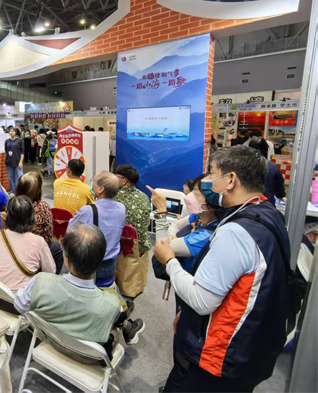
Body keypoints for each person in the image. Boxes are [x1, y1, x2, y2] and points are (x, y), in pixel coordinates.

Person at [154, 146, 293, 392]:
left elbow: (201, 300)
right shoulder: (265, 212)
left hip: (216, 358)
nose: (207, 180)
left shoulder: (236, 232)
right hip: (248, 349)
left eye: (211, 173)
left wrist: (170, 262)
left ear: (230, 180)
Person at [14, 222, 145, 351]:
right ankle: (130, 329)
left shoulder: (40, 282)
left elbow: (20, 305)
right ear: (100, 262)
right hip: (88, 358)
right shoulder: (112, 304)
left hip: (49, 343)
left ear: (66, 260)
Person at [0, 196, 55, 309]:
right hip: (21, 303)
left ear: (8, 216)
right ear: (31, 217)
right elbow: (50, 272)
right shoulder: (38, 242)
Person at [68, 171, 125, 287]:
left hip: (91, 268)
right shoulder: (121, 208)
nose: (91, 185)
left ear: (100, 189)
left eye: (93, 182)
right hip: (111, 266)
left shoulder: (87, 211)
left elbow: (70, 233)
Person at [16, 172, 63, 273]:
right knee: (58, 247)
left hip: (15, 244)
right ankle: (54, 276)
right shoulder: (43, 207)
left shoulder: (12, 204)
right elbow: (48, 235)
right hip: (35, 247)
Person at [114, 165, 151, 255]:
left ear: (124, 181)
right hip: (143, 248)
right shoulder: (144, 196)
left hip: (124, 249)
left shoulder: (115, 197)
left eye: (116, 177)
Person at [249, 139, 286, 205]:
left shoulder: (241, 166)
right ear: (266, 150)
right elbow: (279, 191)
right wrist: (281, 196)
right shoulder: (272, 167)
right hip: (266, 204)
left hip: (244, 205)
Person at [4, 127, 25, 194]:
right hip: (9, 162)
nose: (11, 132)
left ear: (16, 132)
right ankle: (12, 192)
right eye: (10, 131)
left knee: (18, 178)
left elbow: (22, 152)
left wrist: (21, 162)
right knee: (10, 178)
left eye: (13, 131)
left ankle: (17, 192)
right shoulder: (7, 141)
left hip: (17, 162)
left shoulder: (20, 141)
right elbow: (6, 151)